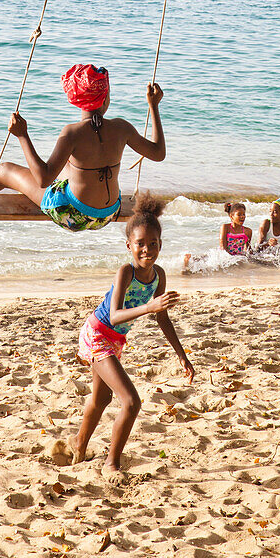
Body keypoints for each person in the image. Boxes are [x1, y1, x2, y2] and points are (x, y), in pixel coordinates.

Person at [0, 64, 166, 231]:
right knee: (73, 170)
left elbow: (44, 179)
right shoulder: (122, 127)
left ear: (74, 99)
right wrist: (153, 106)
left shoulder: (72, 133)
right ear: (106, 97)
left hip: (75, 216)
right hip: (108, 214)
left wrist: (23, 136)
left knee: (5, 170)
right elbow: (158, 153)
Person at [71, 196, 194, 477]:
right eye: (140, 244)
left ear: (161, 245)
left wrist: (181, 355)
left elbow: (162, 316)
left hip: (115, 340)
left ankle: (78, 444)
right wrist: (149, 306)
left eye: (153, 244)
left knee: (101, 400)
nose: (147, 250)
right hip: (97, 333)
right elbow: (114, 315)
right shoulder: (126, 271)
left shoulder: (159, 275)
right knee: (131, 401)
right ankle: (111, 464)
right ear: (130, 246)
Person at [182, 200, 252, 273]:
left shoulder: (248, 231)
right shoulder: (225, 227)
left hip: (236, 258)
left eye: (244, 214)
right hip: (223, 255)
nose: (242, 217)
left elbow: (248, 250)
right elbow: (223, 247)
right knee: (207, 264)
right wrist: (232, 259)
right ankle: (187, 262)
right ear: (231, 216)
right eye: (239, 215)